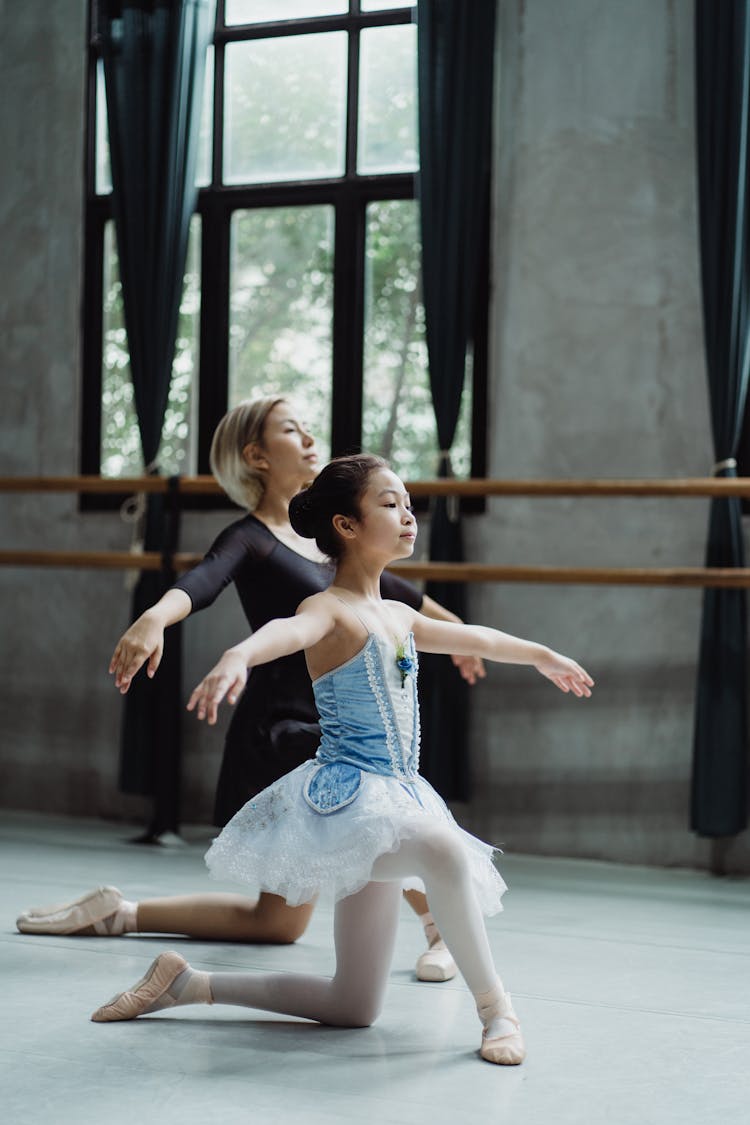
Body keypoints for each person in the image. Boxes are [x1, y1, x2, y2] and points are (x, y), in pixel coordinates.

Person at [89, 454, 594, 1065]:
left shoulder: (401, 615)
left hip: (398, 798)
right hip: (350, 804)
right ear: (347, 526)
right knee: (441, 848)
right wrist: (238, 658)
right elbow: (281, 633)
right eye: (390, 503)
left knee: (352, 1006)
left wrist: (545, 655)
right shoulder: (327, 609)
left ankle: (187, 984)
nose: (408, 514)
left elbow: (480, 639)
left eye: (409, 503)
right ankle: (498, 1011)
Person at [17, 398, 484, 982]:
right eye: (292, 430)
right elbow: (201, 581)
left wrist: (463, 638)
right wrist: (156, 618)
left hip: (331, 727)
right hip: (286, 731)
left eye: (311, 428)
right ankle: (439, 922)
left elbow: (401, 599)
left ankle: (119, 913)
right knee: (380, 817)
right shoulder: (251, 537)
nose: (310, 438)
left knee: (278, 923)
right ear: (257, 456)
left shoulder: (333, 542)